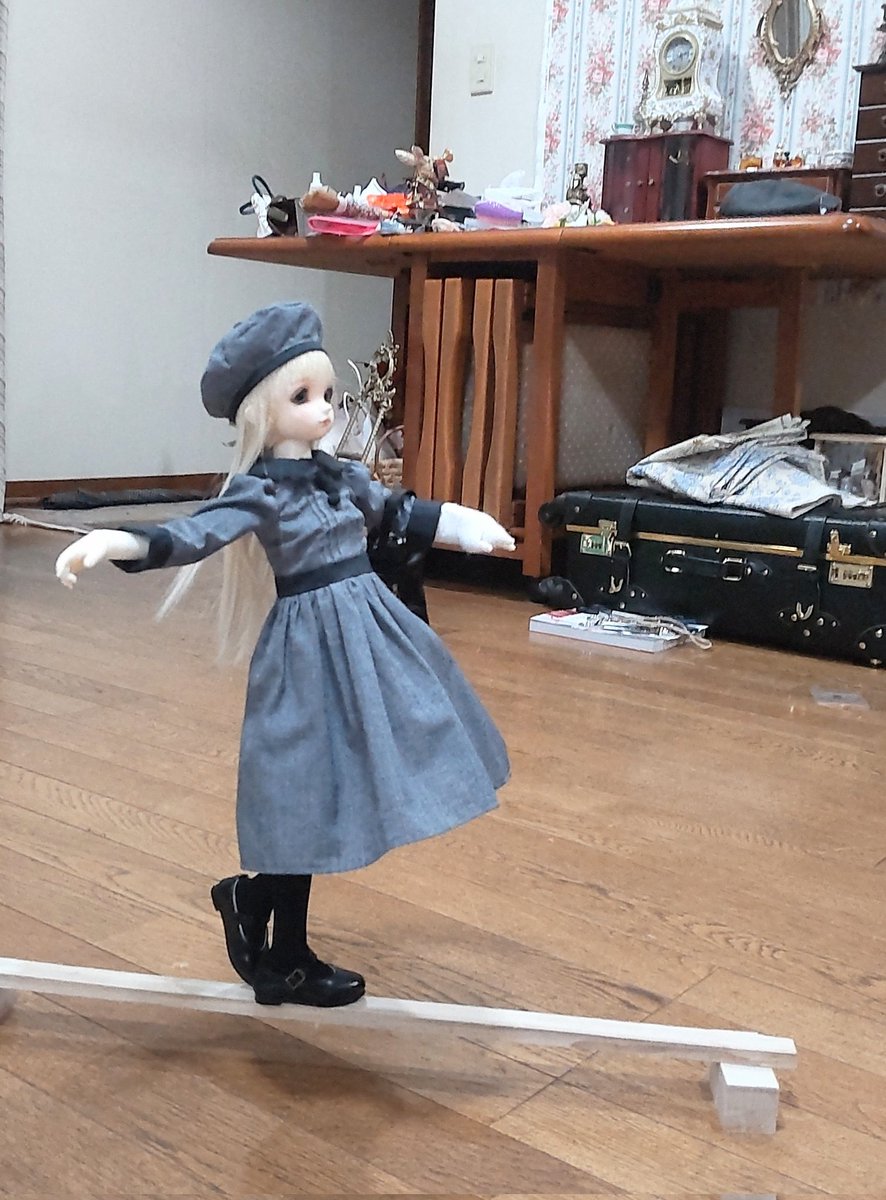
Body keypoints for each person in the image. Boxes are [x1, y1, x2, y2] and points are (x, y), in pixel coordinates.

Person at [55, 302, 514, 1008]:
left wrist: (460, 521)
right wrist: (122, 541)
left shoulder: (340, 476)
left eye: (328, 394)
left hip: (372, 636)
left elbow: (396, 511)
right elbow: (198, 533)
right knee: (302, 794)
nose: (324, 410)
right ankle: (285, 951)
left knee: (374, 763)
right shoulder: (262, 492)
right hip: (306, 652)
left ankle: (259, 913)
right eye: (302, 397)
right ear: (261, 413)